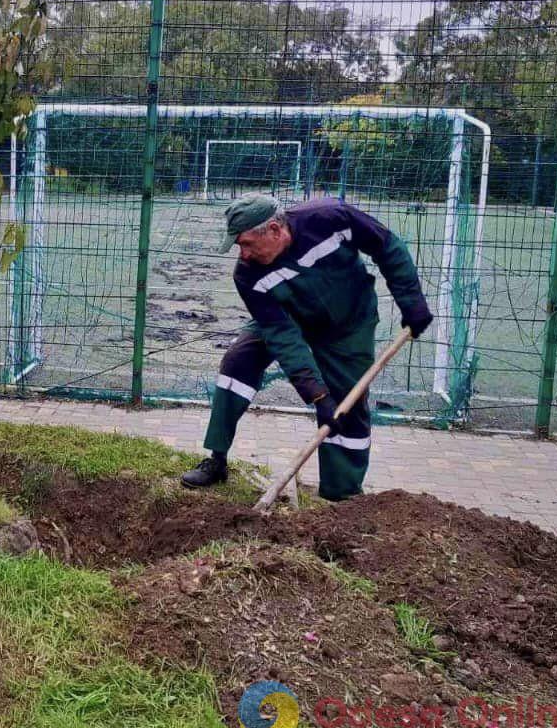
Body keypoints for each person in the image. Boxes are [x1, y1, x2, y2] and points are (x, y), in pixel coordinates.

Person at [182, 193, 433, 501]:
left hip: (348, 324)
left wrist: (412, 302)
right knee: (238, 362)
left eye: (247, 243)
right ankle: (217, 460)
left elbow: (387, 247)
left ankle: (342, 495)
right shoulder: (248, 274)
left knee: (348, 406)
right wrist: (318, 395)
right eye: (239, 246)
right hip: (289, 320)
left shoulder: (330, 218)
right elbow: (282, 335)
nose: (243, 254)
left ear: (274, 230)